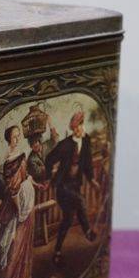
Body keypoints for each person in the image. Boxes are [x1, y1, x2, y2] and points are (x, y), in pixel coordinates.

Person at [45, 110, 100, 265]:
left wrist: (92, 179)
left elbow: (87, 162)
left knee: (68, 219)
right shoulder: (65, 145)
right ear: (72, 128)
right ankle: (87, 231)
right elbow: (49, 159)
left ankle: (57, 251)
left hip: (75, 186)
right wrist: (49, 177)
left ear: (83, 125)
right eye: (75, 128)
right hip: (62, 187)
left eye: (79, 126)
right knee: (81, 201)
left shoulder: (86, 140)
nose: (78, 130)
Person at [0, 155, 35, 278]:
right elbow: (12, 211)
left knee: (17, 252)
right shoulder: (16, 187)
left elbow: (22, 213)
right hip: (19, 221)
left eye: (13, 176)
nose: (10, 180)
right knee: (11, 252)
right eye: (9, 177)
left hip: (24, 221)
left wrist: (15, 197)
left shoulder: (25, 186)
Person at [26, 117, 59, 183]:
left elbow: (55, 139)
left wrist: (50, 125)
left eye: (36, 142)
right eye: (32, 144)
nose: (35, 145)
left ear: (39, 140)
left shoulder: (46, 145)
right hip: (44, 181)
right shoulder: (31, 159)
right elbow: (38, 173)